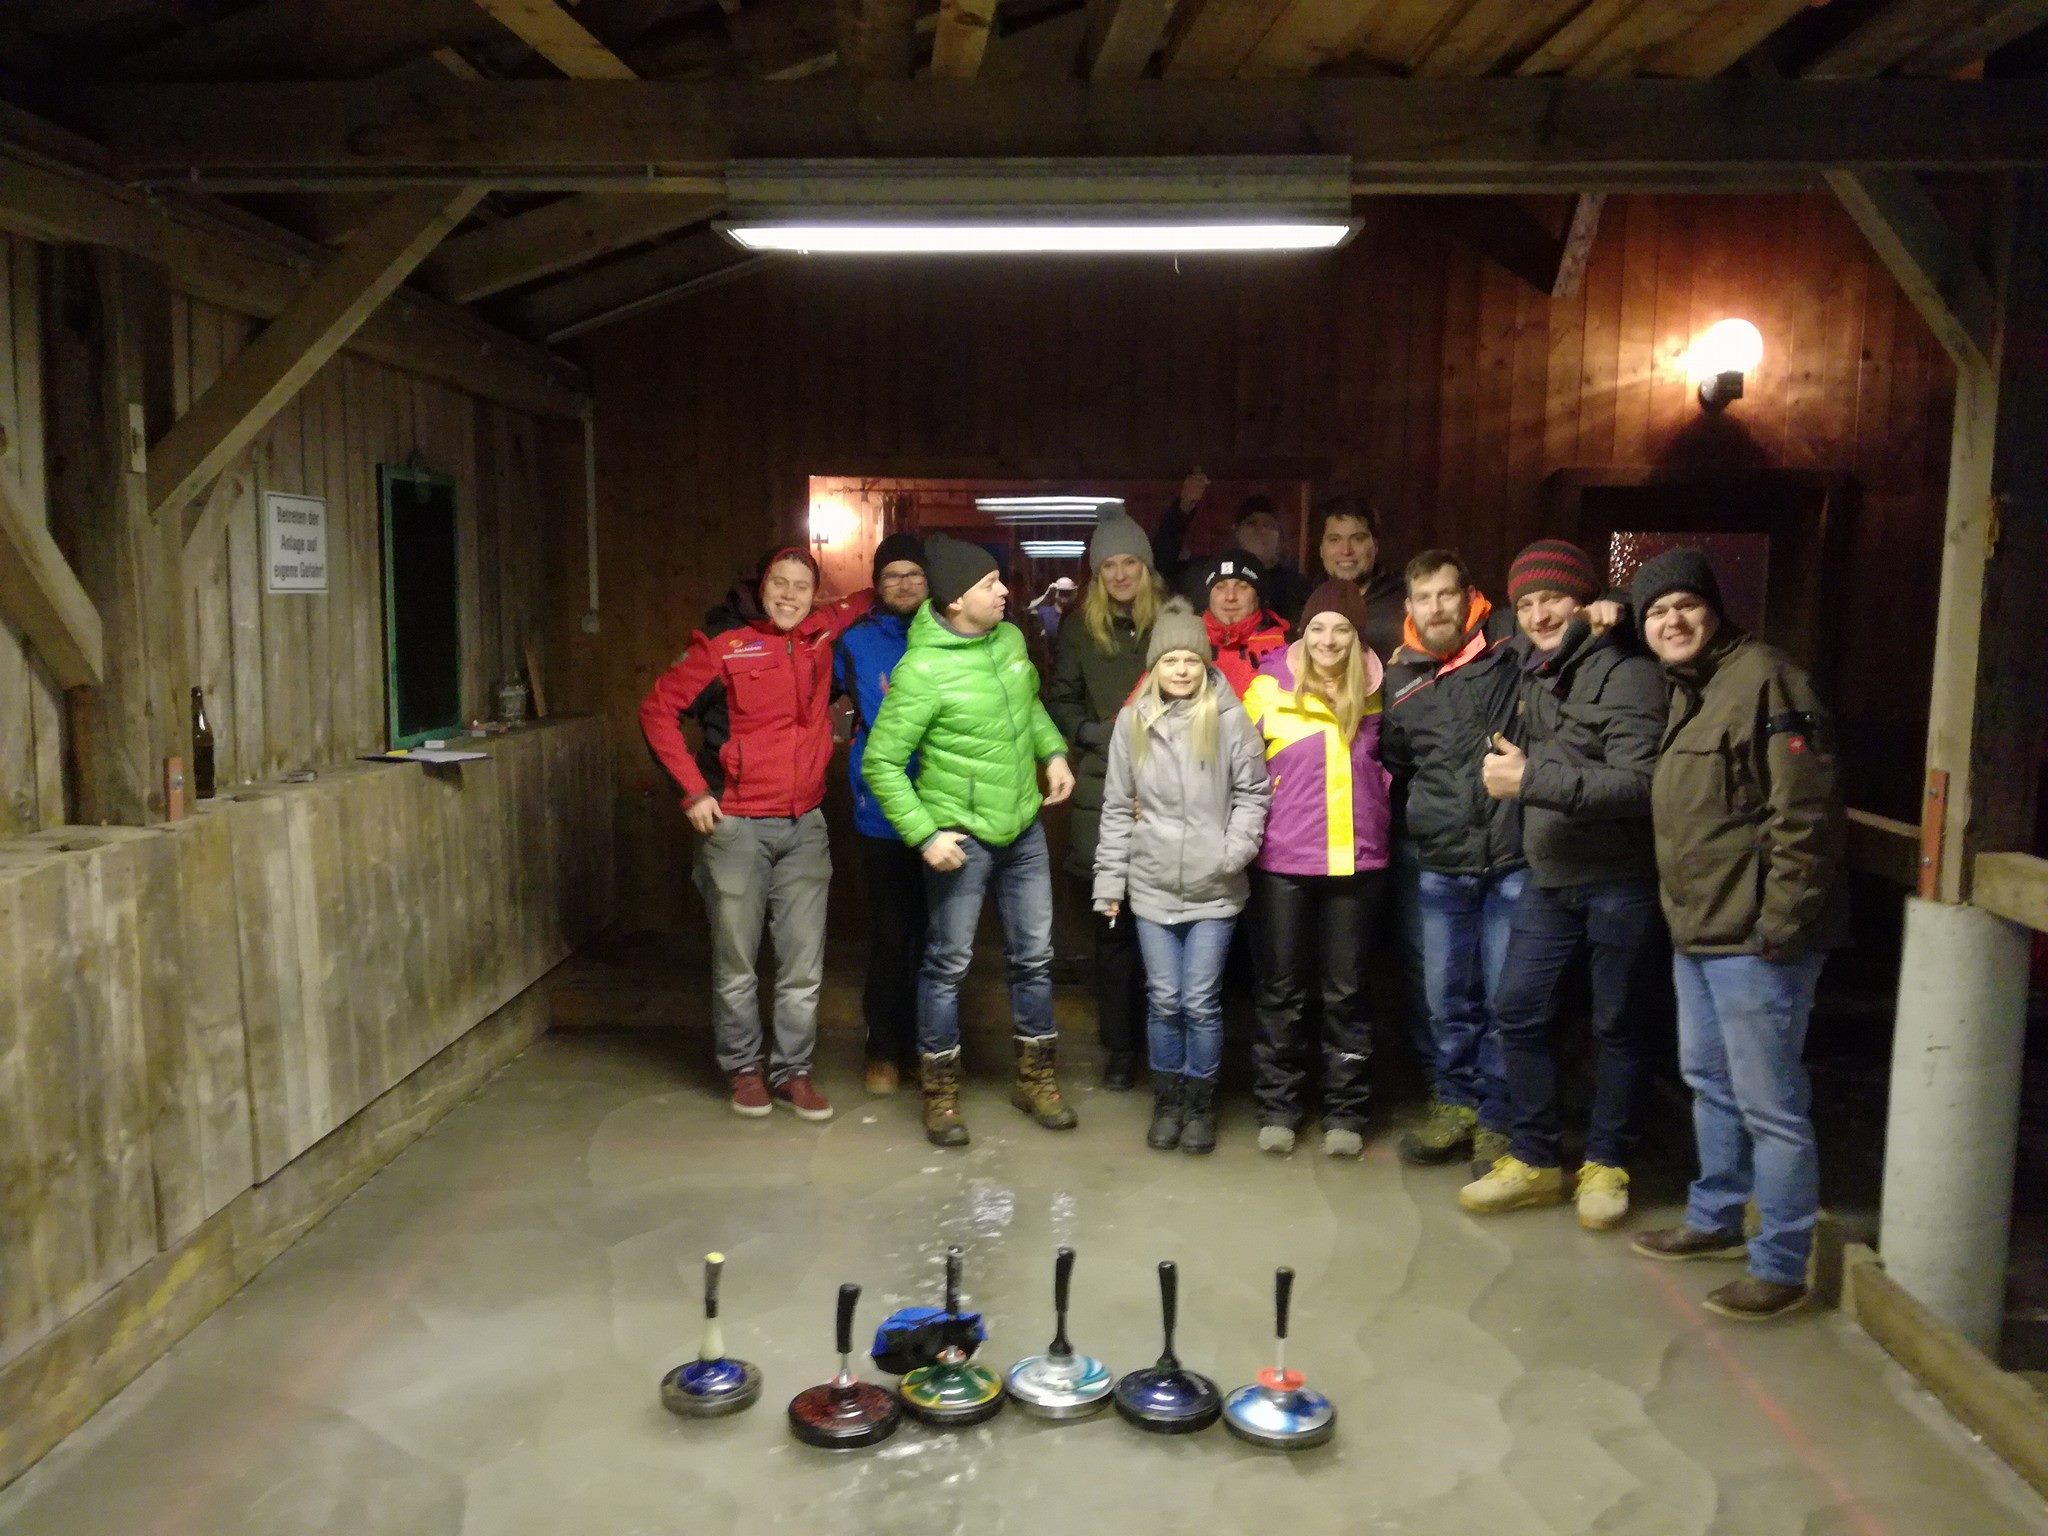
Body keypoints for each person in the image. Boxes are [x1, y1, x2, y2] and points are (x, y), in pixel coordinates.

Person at [1623, 549, 1847, 1321]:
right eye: (1655, 613)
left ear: (1713, 609)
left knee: (1770, 1102)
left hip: (1756, 938)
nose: (1671, 622)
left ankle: (1781, 1262)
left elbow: (1805, 813)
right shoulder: (1694, 690)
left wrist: (1779, 925)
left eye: (1684, 605)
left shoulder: (1766, 679)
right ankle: (1716, 1218)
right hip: (1701, 931)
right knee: (1710, 1082)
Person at [1458, 540, 1668, 1230]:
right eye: (1527, 602)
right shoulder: (1535, 668)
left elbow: (1641, 783)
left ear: (1586, 603)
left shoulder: (1630, 672)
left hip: (1619, 879)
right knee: (1517, 1009)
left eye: (1554, 597)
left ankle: (1606, 1162)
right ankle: (1537, 1159)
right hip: (1551, 874)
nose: (1540, 612)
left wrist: (1531, 779)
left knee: (1618, 1025)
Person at [862, 534, 1080, 1148]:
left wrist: (1053, 751)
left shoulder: (1010, 640)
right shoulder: (922, 670)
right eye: (991, 584)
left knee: (1034, 960)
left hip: (1023, 828)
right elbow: (881, 764)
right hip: (963, 837)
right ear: (957, 600)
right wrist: (925, 834)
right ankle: (941, 1094)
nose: (1005, 590)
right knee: (948, 964)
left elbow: (1029, 706)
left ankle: (1035, 1080)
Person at [640, 545, 871, 1121]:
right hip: (737, 825)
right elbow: (656, 711)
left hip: (805, 824)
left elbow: (870, 597)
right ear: (760, 587)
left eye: (801, 585)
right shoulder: (724, 645)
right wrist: (693, 792)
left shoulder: (822, 629)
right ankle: (744, 1069)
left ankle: (793, 1072)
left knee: (802, 964)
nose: (790, 595)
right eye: (780, 583)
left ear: (814, 594)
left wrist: (924, 577)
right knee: (738, 960)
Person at [1093, 600, 1271, 1155]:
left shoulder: (1228, 716)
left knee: (1200, 1000)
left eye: (1190, 660)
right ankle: (1167, 1100)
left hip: (1214, 889)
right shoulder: (1132, 721)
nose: (1181, 670)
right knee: (1164, 999)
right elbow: (1118, 805)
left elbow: (1252, 792)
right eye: (1169, 660)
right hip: (1150, 888)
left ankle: (1200, 1105)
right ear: (1155, 666)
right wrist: (1109, 884)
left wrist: (1233, 851)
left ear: (1204, 664)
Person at [1380, 550, 1525, 1171]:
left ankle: (1497, 1118)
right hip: (1440, 860)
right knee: (1446, 997)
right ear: (1408, 607)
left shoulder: (1511, 644)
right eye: (1423, 598)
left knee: (1502, 998)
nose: (1436, 608)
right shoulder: (1400, 677)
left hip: (1510, 858)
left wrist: (1614, 610)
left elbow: (1577, 618)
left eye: (1446, 594)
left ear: (1469, 595)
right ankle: (1455, 1104)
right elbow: (1397, 759)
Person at [1241, 579, 1392, 1158]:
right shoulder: (1267, 685)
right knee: (1281, 990)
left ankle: (1345, 1113)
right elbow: (1237, 767)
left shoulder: (1381, 690)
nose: (1329, 639)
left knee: (1347, 993)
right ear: (1303, 631)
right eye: (1319, 627)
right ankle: (1279, 1107)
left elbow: (1397, 762)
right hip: (1284, 859)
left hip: (1357, 861)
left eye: (1342, 629)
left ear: (1357, 637)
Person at [1048, 509, 1168, 1090]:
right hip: (1102, 793)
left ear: (1146, 568)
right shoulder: (1078, 629)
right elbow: (1060, 701)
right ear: (1097, 574)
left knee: (1164, 927)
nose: (1120, 575)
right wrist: (1098, 734)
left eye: (1130, 563)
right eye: (1109, 566)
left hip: (1170, 791)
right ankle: (1119, 1051)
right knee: (1113, 933)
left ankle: (1161, 1047)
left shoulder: (1173, 623)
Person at [834, 532, 931, 1096]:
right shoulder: (855, 642)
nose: (903, 583)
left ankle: (931, 1048)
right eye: (892, 574)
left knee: (938, 936)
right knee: (892, 934)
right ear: (877, 582)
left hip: (944, 805)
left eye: (913, 574)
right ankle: (883, 1049)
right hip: (881, 810)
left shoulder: (951, 636)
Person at [1308, 494, 1407, 659]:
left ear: (1375, 546)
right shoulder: (1305, 600)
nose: (1346, 550)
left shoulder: (1405, 599)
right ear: (1321, 549)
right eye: (1334, 540)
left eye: (1358, 539)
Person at [1197, 549, 1290, 697]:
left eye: (1242, 586)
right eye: (1220, 587)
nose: (1230, 596)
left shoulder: (1285, 644)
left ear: (1258, 596)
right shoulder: (1186, 641)